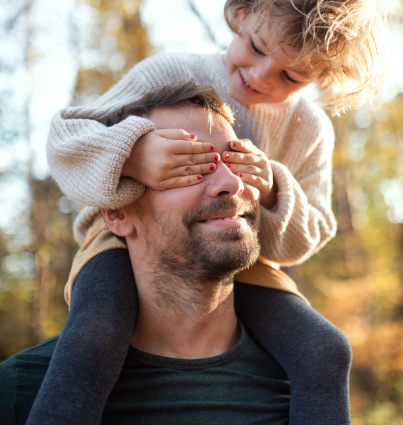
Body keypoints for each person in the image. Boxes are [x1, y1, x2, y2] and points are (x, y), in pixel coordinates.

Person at [33, 1, 385, 424]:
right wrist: (133, 152)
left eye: (290, 75)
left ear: (320, 78)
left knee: (324, 349)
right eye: (255, 47)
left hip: (241, 255)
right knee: (96, 334)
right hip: (124, 237)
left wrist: (272, 190)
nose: (259, 75)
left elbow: (305, 239)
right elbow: (66, 135)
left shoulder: (308, 130)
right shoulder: (168, 73)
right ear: (241, 14)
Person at [0, 86, 293, 424]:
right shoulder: (19, 391)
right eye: (189, 163)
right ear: (119, 214)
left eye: (236, 161)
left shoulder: (296, 388)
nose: (231, 183)